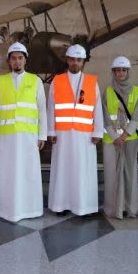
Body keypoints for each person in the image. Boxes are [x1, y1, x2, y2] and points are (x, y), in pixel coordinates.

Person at [0, 42, 47, 222]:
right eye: (14, 58)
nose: (17, 61)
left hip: (29, 136)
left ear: (25, 60)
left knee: (29, 173)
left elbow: (42, 110)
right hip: (7, 137)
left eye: (20, 58)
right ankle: (8, 210)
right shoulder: (2, 81)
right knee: (9, 174)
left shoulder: (35, 81)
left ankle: (30, 209)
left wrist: (42, 135)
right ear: (9, 61)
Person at [47, 44, 104, 217]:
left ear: (83, 62)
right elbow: (51, 108)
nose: (75, 63)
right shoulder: (57, 81)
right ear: (67, 60)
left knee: (83, 171)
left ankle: (84, 207)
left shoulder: (92, 82)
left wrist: (98, 131)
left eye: (79, 60)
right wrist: (51, 131)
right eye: (72, 59)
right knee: (63, 169)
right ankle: (61, 205)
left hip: (84, 135)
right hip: (62, 135)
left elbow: (97, 108)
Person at [102, 56, 138, 219]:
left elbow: (137, 116)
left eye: (124, 70)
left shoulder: (137, 91)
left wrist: (125, 135)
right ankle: (113, 209)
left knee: (130, 174)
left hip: (130, 139)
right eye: (118, 70)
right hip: (111, 140)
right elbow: (105, 116)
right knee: (112, 174)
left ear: (128, 72)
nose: (121, 73)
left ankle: (130, 208)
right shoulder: (107, 91)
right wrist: (115, 136)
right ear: (113, 72)